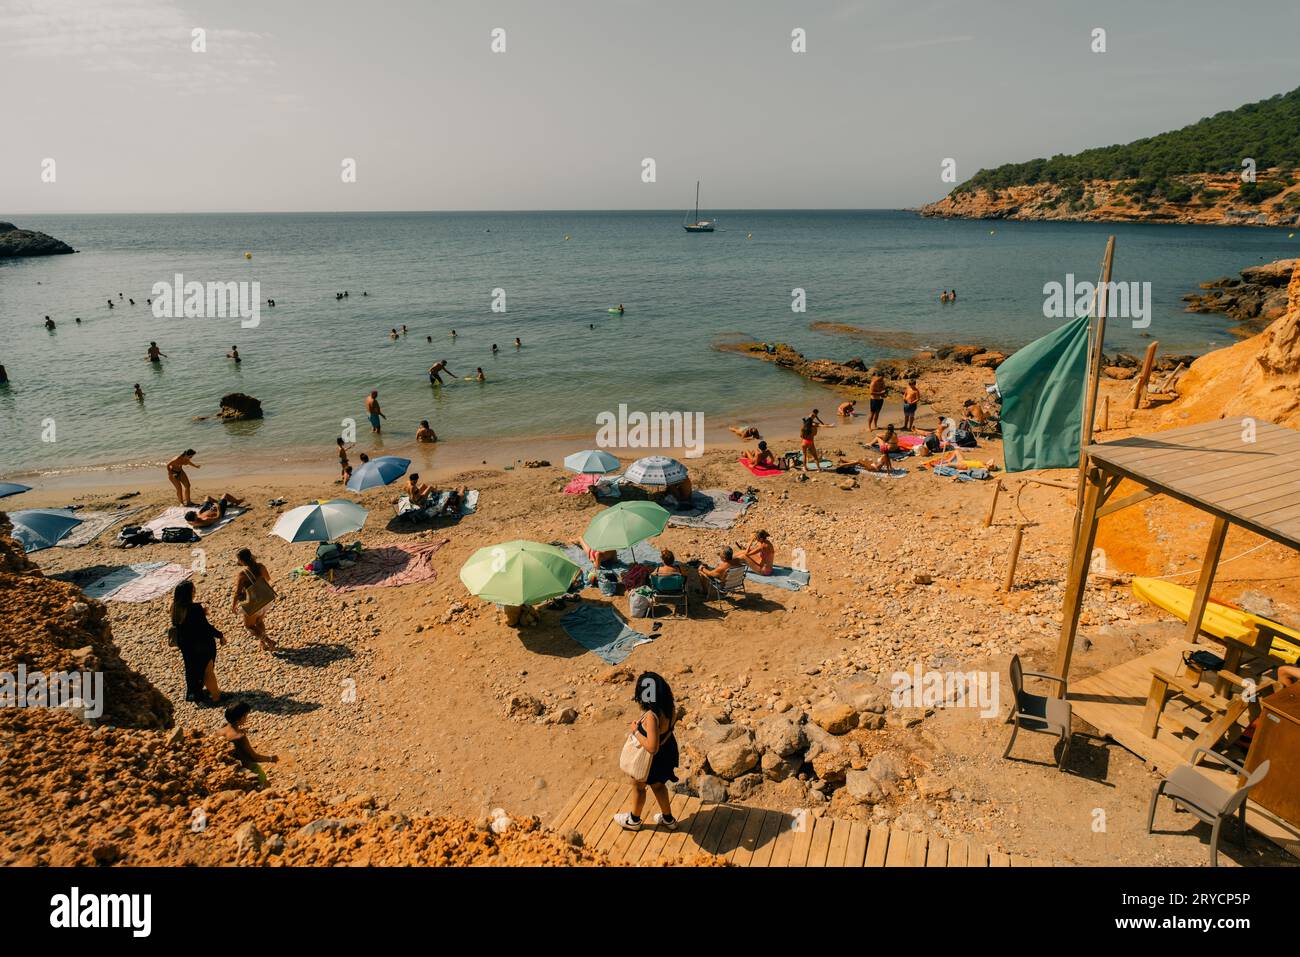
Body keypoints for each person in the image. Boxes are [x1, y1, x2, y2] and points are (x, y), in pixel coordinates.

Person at [613, 672, 679, 832]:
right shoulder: (670, 707)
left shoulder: (651, 716)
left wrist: (636, 731)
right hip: (667, 752)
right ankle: (668, 819)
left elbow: (652, 747)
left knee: (638, 787)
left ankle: (633, 820)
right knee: (658, 785)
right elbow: (670, 729)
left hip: (652, 760)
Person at [169, 579, 224, 705]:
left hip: (186, 645)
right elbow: (205, 627)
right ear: (189, 593)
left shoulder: (174, 608)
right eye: (193, 590)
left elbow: (184, 623)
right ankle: (216, 697)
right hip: (202, 643)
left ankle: (195, 694)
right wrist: (220, 635)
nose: (195, 592)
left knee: (192, 669)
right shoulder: (195, 608)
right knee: (207, 669)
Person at [220, 701, 277, 788]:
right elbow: (254, 757)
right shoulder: (240, 736)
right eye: (246, 716)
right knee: (266, 786)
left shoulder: (220, 732)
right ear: (241, 718)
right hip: (249, 769)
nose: (246, 718)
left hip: (231, 769)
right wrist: (271, 758)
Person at [232, 548, 276, 651]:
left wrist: (233, 606)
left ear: (241, 561)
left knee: (249, 626)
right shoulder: (261, 566)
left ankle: (269, 641)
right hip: (266, 598)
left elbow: (237, 593)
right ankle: (263, 644)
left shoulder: (243, 574)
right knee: (259, 621)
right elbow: (268, 579)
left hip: (254, 602)